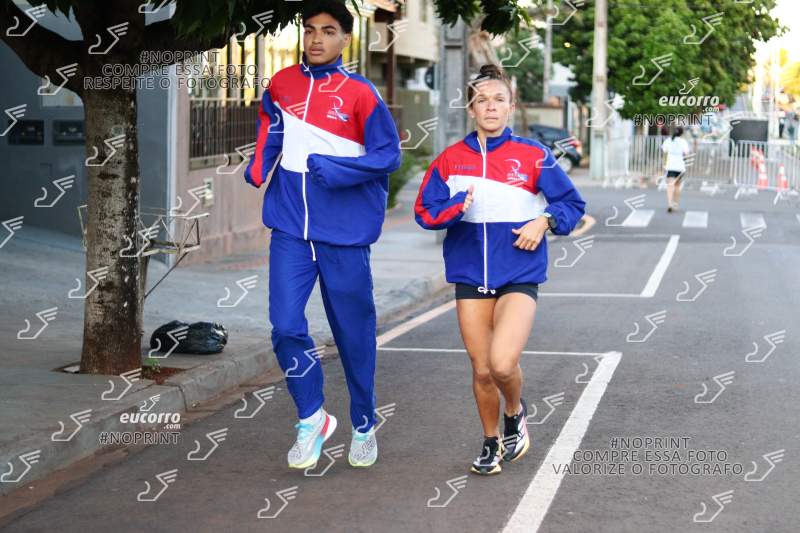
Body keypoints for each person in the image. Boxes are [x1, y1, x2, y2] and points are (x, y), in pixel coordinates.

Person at [243, 0, 401, 470]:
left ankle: (364, 422)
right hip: (290, 227)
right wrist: (259, 165)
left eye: (328, 31)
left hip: (344, 234)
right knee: (285, 326)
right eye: (310, 29)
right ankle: (312, 416)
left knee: (353, 335)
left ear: (345, 39)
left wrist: (337, 169)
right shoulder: (281, 83)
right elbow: (272, 127)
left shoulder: (361, 93)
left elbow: (388, 155)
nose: (316, 38)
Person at [413, 64, 586, 475]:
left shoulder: (534, 155)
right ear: (471, 109)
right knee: (482, 369)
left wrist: (544, 221)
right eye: (482, 100)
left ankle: (514, 412)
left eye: (499, 100)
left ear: (511, 107)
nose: (490, 107)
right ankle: (490, 440)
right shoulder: (450, 160)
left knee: (502, 364)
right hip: (470, 275)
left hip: (518, 273)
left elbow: (572, 205)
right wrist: (455, 208)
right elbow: (425, 212)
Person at [661, 126, 690, 212]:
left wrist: (664, 163)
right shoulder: (683, 142)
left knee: (670, 185)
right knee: (677, 186)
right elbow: (686, 153)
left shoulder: (668, 140)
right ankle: (675, 204)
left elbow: (664, 151)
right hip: (680, 166)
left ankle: (670, 204)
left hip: (670, 166)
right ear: (681, 133)